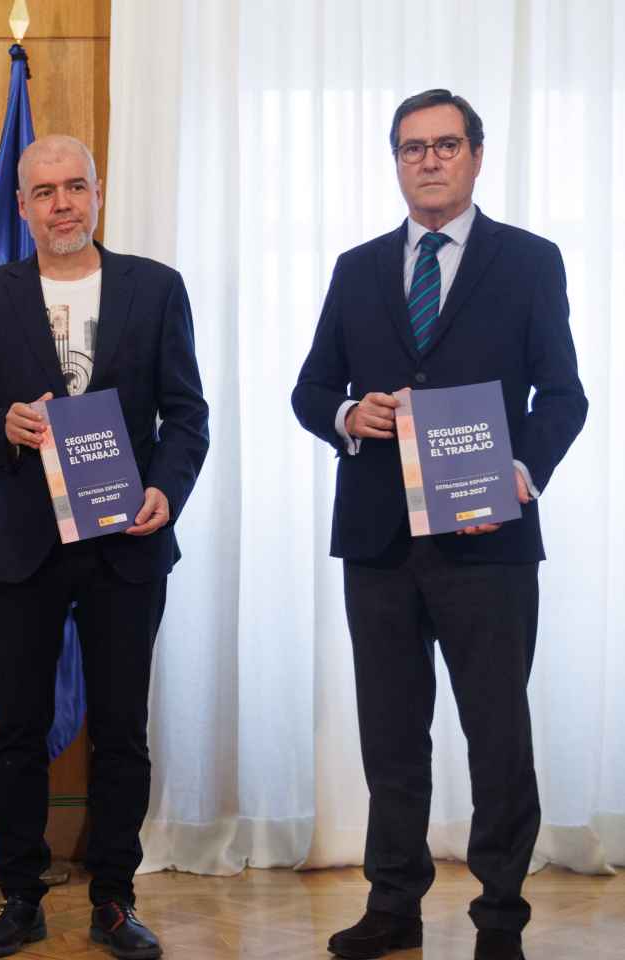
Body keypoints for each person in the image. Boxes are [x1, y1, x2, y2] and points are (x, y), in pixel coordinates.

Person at [291, 89, 586, 960]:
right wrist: (349, 415)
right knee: (390, 735)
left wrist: (522, 468)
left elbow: (563, 395)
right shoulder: (357, 268)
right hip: (379, 542)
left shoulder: (530, 262)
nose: (429, 159)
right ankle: (393, 906)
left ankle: (500, 916)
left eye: (446, 145)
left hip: (489, 541)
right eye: (413, 147)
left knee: (496, 731)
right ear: (395, 161)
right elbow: (310, 389)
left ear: (477, 156)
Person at [0, 134, 209, 960]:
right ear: (21, 206)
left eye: (75, 187)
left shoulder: (156, 288)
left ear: (99, 193)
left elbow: (187, 414)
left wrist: (167, 488)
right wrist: (3, 425)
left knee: (123, 727)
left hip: (127, 541)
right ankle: (21, 897)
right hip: (21, 541)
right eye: (44, 191)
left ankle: (115, 900)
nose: (61, 203)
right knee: (17, 728)